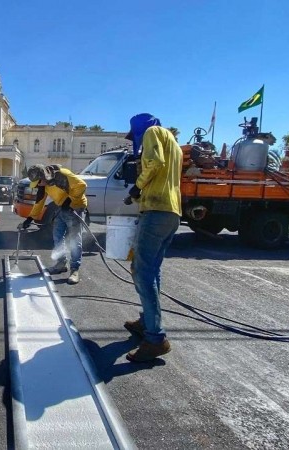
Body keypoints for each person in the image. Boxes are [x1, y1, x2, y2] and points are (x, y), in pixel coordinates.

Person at [122, 113, 182, 363]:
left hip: (156, 212)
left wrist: (137, 186)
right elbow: (162, 173)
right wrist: (139, 194)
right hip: (171, 212)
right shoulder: (174, 144)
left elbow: (154, 163)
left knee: (141, 270)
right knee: (153, 271)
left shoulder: (152, 133)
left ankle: (156, 338)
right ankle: (147, 322)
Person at [20, 164, 87, 284]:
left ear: (44, 177)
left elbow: (82, 186)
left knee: (74, 239)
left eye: (39, 182)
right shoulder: (44, 185)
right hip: (61, 207)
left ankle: (74, 270)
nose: (38, 185)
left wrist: (70, 201)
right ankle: (61, 264)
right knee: (57, 236)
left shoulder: (63, 174)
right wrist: (30, 218)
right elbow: (39, 202)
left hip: (75, 207)